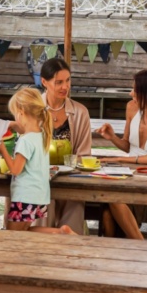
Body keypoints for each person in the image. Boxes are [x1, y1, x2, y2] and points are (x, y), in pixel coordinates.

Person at [95, 68, 147, 238]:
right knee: (106, 214)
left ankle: (139, 245)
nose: (131, 93)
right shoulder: (131, 108)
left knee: (113, 202)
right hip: (126, 173)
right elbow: (127, 146)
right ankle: (127, 250)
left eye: (136, 90)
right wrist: (112, 138)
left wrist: (121, 159)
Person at [0, 88, 74, 234]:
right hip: (39, 196)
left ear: (21, 113)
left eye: (15, 115)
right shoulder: (42, 135)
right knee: (25, 232)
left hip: (25, 197)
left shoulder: (25, 141)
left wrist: (3, 151)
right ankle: (60, 232)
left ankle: (60, 232)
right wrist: (14, 125)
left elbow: (15, 170)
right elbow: (26, 129)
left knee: (11, 235)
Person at [39, 57, 92, 234]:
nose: (65, 87)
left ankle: (71, 248)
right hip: (40, 179)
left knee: (75, 200)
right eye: (59, 82)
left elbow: (84, 154)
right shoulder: (31, 109)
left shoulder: (80, 112)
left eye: (68, 80)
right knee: (42, 196)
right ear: (44, 82)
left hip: (72, 179)